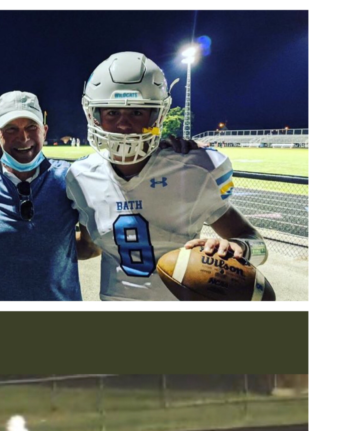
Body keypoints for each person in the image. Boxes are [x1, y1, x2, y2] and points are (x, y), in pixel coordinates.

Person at [66, 51, 269, 301]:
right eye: (112, 113)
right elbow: (89, 246)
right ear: (94, 116)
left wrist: (240, 248)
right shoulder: (80, 177)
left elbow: (258, 245)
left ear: (157, 115)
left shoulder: (197, 171)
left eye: (137, 113)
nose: (123, 124)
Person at [0, 91, 100, 300]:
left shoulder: (71, 179)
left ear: (44, 131)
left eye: (31, 127)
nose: (23, 137)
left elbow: (90, 247)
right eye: (11, 129)